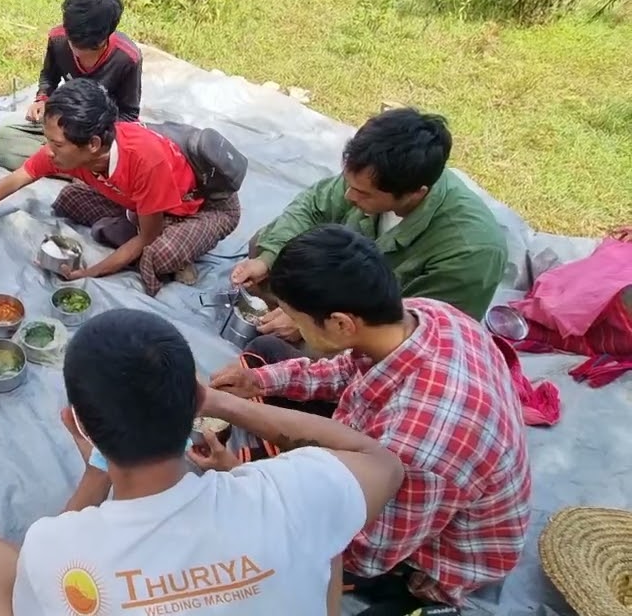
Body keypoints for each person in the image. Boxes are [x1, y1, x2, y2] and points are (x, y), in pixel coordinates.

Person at [0, 309, 404, 616]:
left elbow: (45, 561)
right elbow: (380, 460)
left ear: (78, 423)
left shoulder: (56, 551)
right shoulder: (294, 491)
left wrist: (96, 473)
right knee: (328, 536)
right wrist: (224, 404)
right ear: (194, 402)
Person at [211, 225, 530, 611]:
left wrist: (242, 477)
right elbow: (346, 370)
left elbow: (363, 550)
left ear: (342, 323)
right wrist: (257, 381)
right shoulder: (426, 314)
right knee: (265, 352)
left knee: (262, 549)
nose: (291, 325)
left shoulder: (422, 444)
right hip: (396, 443)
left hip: (420, 556)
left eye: (296, 318)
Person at [0, 79, 240, 295]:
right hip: (143, 203)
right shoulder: (67, 155)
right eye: (48, 141)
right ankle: (135, 221)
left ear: (93, 146)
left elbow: (147, 237)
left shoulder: (147, 162)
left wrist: (91, 272)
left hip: (202, 208)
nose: (48, 152)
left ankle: (175, 245)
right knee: (69, 198)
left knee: (156, 253)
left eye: (57, 144)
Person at [231, 107, 506, 342]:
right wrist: (269, 257)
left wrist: (311, 324)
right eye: (349, 183)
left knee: (287, 352)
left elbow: (413, 334)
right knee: (265, 244)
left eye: (363, 194)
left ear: (415, 193)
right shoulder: (374, 171)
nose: (349, 197)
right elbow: (313, 207)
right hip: (337, 285)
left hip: (374, 326)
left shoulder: (471, 252)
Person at [0, 0, 142, 171]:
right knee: (1, 137)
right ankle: (80, 171)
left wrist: (94, 145)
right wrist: (42, 99)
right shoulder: (57, 40)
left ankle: (69, 165)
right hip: (62, 125)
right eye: (74, 44)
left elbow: (129, 115)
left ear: (107, 36)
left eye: (89, 49)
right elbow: (49, 76)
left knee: (123, 158)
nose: (78, 54)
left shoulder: (127, 58)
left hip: (95, 140)